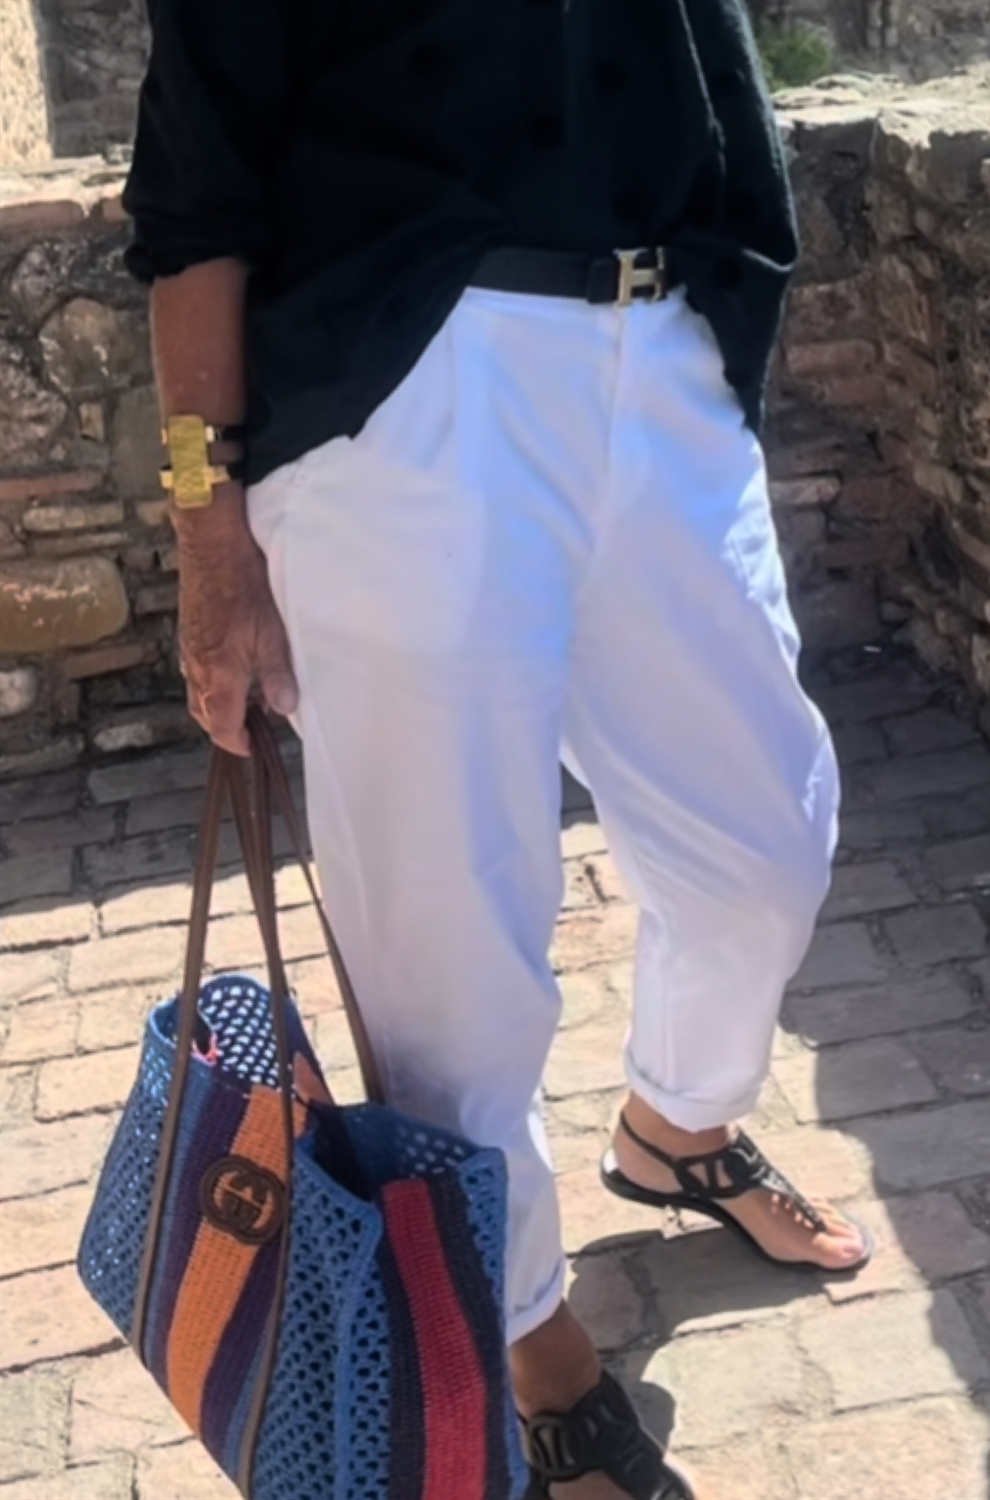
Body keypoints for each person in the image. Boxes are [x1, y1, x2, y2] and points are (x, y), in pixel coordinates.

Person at [132, 2, 871, 1494]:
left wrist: (722, 320)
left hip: (659, 346)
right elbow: (197, 187)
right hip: (408, 393)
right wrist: (212, 544)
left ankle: (678, 1121)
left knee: (765, 846)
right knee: (449, 951)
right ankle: (522, 1327)